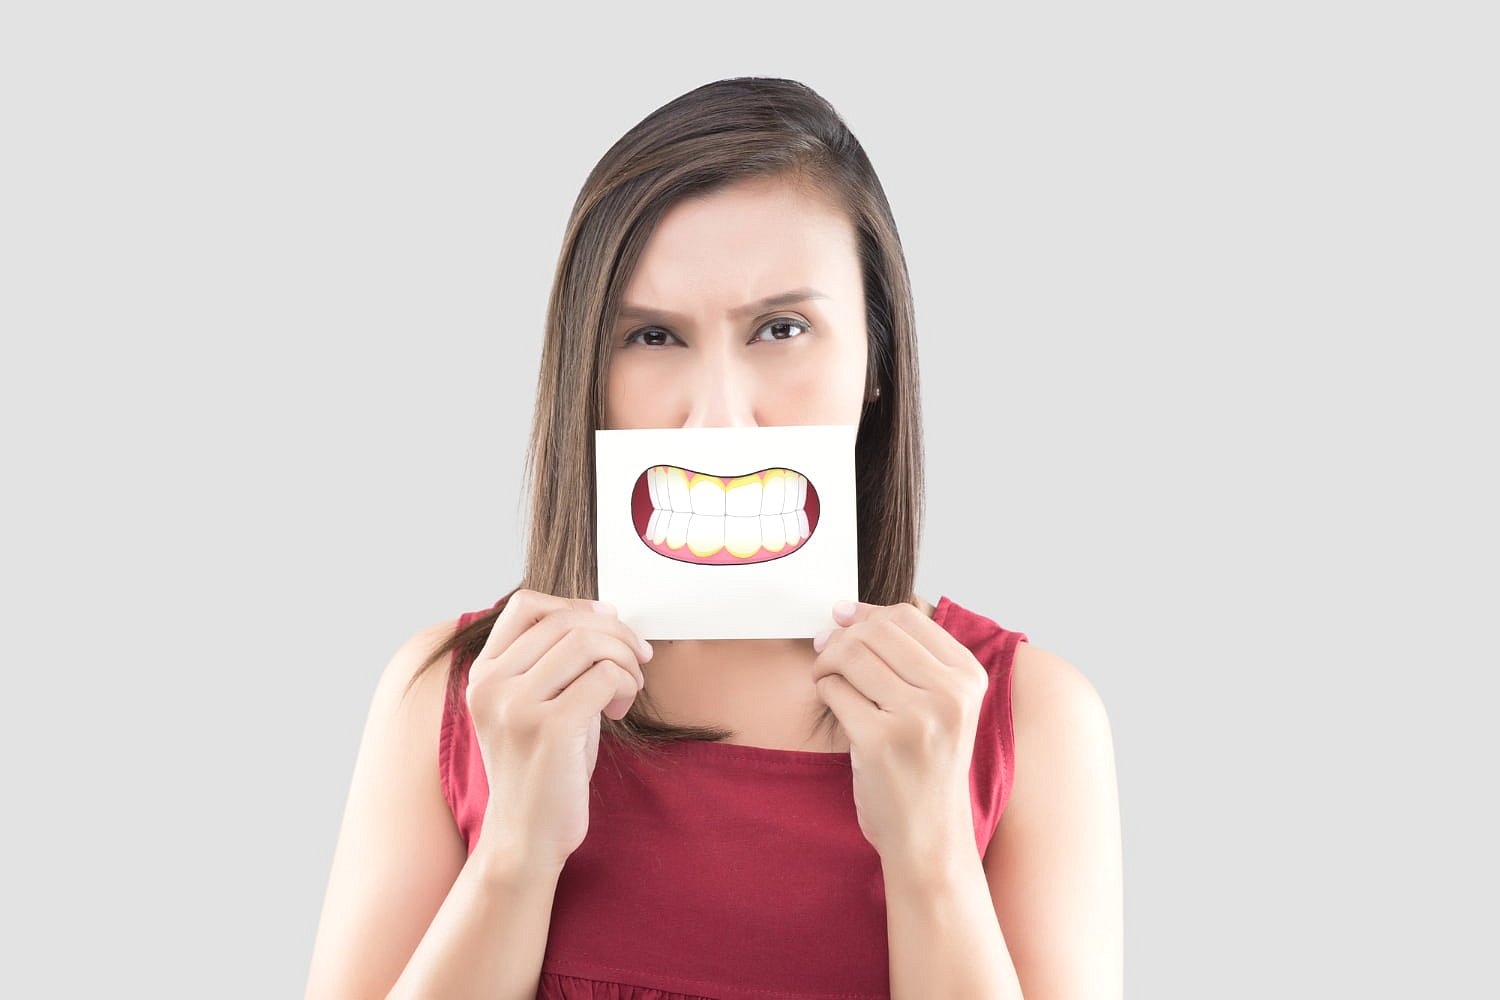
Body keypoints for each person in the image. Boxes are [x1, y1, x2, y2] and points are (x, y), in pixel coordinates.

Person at [305, 77, 1123, 1000]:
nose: (719, 420)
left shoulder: (1029, 720)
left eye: (782, 328)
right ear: (587, 372)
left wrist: (932, 860)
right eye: (653, 337)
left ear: (878, 358)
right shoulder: (452, 698)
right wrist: (514, 855)